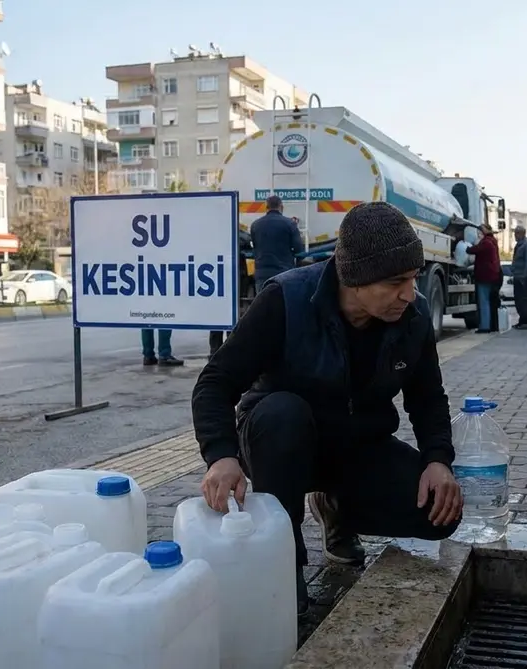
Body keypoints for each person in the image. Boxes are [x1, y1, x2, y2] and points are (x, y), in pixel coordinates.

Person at [191, 202, 464, 616]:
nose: (409, 293)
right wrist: (220, 456)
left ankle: (335, 509)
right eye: (395, 282)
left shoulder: (413, 315)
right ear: (354, 279)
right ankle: (284, 561)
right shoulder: (286, 299)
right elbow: (215, 382)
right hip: (280, 442)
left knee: (439, 515)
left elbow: (428, 397)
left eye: (412, 278)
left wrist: (438, 460)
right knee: (283, 414)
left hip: (355, 444)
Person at [209, 228, 254, 360]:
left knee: (218, 316)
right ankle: (229, 350)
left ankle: (214, 351)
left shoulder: (213, 234)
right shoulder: (236, 233)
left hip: (218, 278)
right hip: (233, 278)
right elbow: (247, 240)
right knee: (231, 315)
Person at [466, 223, 501, 333]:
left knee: (483, 301)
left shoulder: (486, 242)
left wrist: (467, 247)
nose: (478, 234)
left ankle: (485, 326)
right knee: (489, 302)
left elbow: (473, 250)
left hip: (485, 276)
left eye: (480, 232)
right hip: (493, 275)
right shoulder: (493, 241)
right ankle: (491, 325)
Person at [509, 224, 527, 330]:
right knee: (518, 300)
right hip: (517, 276)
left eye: (517, 233)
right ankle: (521, 320)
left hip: (523, 277)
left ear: (522, 234)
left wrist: (525, 275)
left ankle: (525, 322)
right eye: (515, 233)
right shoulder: (518, 245)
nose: (515, 235)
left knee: (523, 300)